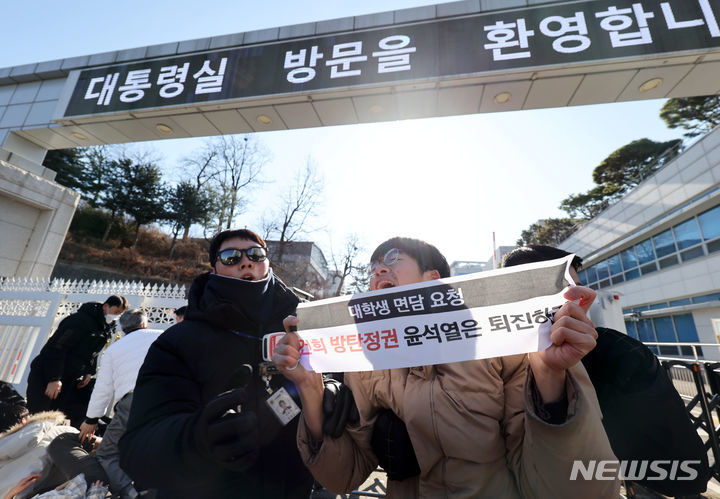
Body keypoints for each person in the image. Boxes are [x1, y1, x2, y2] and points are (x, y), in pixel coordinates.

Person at [273, 236, 619, 498]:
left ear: (433, 278)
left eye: (393, 259)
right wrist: (311, 390)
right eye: (373, 267)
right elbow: (343, 477)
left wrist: (548, 374)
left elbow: (576, 488)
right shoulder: (365, 363)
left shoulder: (503, 344)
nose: (378, 269)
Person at [502, 244, 711, 496]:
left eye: (576, 291)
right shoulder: (490, 367)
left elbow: (681, 460)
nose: (572, 303)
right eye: (558, 292)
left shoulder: (616, 352)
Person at [119, 229, 314, 498]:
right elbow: (136, 452)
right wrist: (196, 440)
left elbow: (335, 396)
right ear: (214, 271)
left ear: (268, 263)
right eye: (231, 257)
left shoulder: (302, 330)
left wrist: (329, 392)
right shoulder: (178, 342)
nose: (246, 262)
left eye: (256, 254)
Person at [77, 309, 162, 499]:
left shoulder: (113, 349)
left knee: (107, 453)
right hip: (169, 398)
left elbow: (103, 389)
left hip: (133, 402)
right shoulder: (162, 336)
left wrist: (91, 419)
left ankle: (132, 495)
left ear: (122, 328)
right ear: (143, 324)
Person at [26, 296, 129, 426]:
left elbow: (93, 352)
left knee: (54, 418)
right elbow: (57, 348)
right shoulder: (79, 321)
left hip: (68, 377)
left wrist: (88, 372)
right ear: (105, 306)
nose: (116, 316)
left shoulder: (105, 327)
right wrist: (54, 378)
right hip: (46, 374)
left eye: (120, 314)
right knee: (38, 418)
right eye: (115, 312)